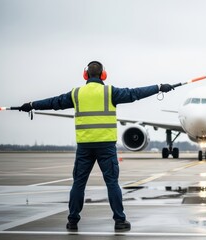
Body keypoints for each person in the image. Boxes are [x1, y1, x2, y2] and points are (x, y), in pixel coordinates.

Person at [18, 61, 174, 231]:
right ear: (103, 75)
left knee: (78, 184)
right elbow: (134, 94)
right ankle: (120, 221)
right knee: (112, 183)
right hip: (106, 146)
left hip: (84, 146)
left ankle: (72, 221)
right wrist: (159, 87)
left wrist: (32, 105)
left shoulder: (76, 94)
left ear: (86, 75)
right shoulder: (109, 92)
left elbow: (54, 102)